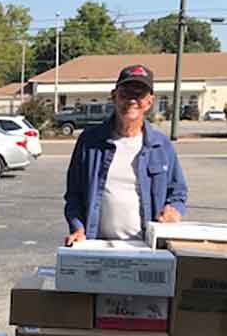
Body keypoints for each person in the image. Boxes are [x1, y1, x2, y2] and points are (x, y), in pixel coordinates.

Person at [63, 64, 188, 245]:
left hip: (147, 247)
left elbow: (178, 192)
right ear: (114, 97)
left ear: (149, 102)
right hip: (97, 244)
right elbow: (74, 195)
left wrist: (174, 210)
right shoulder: (89, 142)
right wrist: (78, 228)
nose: (132, 100)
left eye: (139, 94)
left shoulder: (161, 146)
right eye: (126, 93)